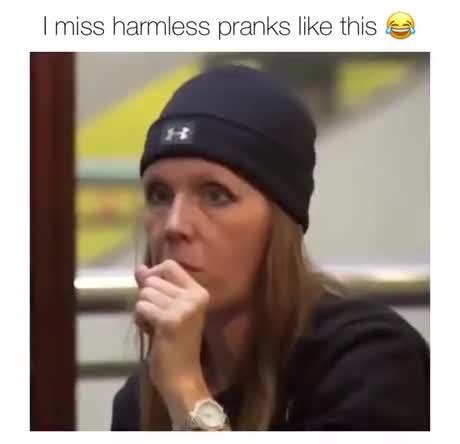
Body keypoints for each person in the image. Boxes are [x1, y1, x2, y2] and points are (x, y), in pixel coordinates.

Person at [110, 65, 430, 431]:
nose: (174, 225)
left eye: (215, 195)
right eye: (160, 195)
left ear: (278, 224)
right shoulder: (142, 399)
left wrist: (187, 393)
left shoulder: (369, 361)